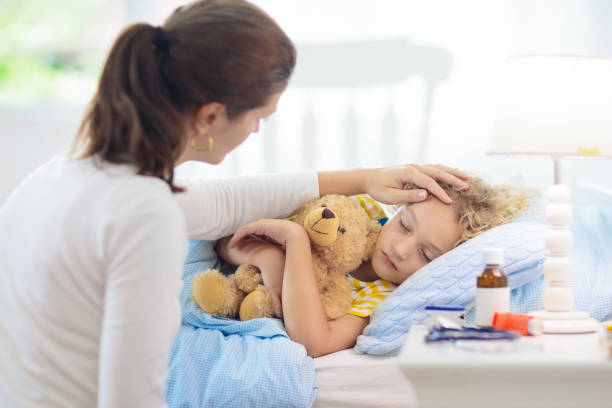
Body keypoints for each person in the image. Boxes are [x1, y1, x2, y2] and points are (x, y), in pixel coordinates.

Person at [0, 0, 470, 407]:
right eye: (260, 117)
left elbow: (231, 199)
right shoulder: (145, 213)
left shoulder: (67, 176)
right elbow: (133, 395)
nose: (256, 132)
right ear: (210, 117)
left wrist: (368, 179)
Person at [224, 176, 535, 356]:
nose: (400, 249)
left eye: (425, 255)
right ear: (399, 208)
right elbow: (224, 238)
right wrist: (269, 258)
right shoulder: (359, 211)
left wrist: (294, 241)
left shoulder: (384, 296)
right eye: (405, 225)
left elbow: (314, 342)